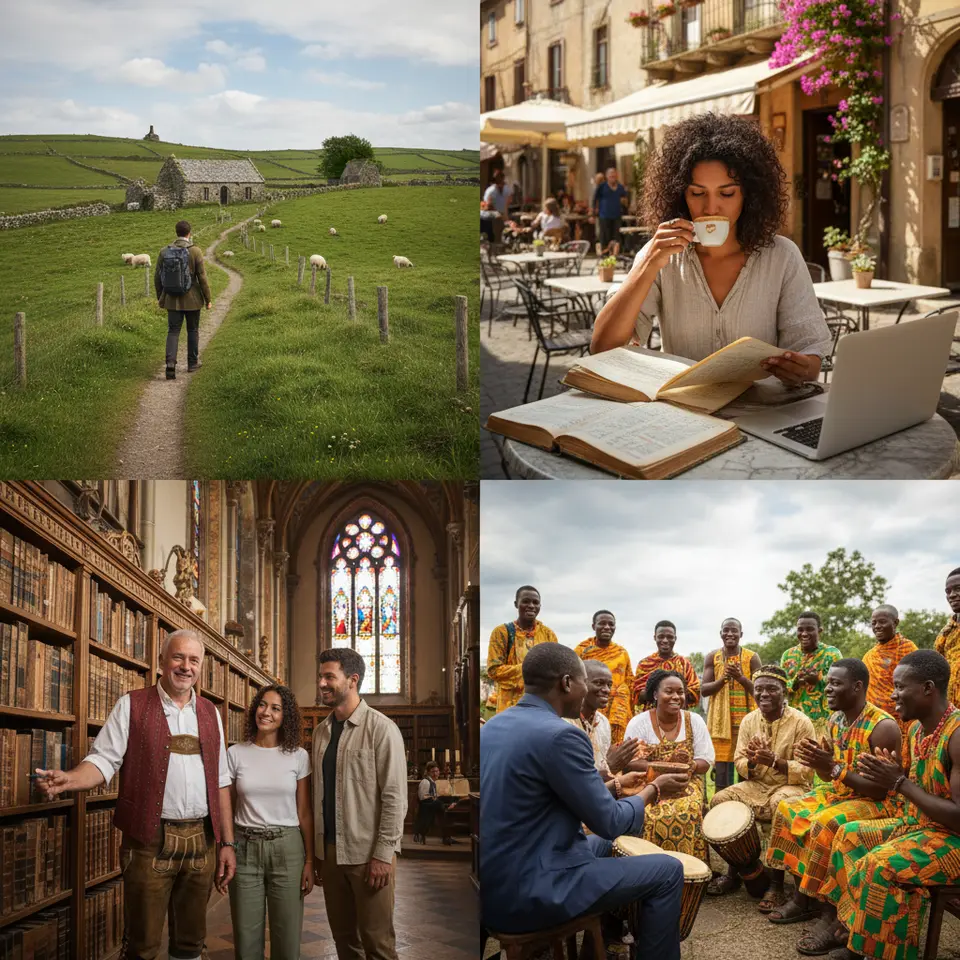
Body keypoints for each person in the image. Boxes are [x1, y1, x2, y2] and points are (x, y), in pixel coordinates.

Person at [34, 630, 235, 960]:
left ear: (201, 667)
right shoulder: (132, 704)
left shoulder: (211, 712)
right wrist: (68, 780)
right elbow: (103, 760)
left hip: (203, 841)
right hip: (148, 842)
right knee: (141, 947)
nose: (186, 666)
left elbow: (222, 782)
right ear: (161, 661)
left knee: (191, 943)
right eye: (178, 657)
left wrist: (227, 843)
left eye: (193, 660)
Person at [480, 643, 690, 959]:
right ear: (566, 683)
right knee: (668, 870)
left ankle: (600, 943)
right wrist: (652, 791)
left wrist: (615, 787)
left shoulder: (494, 726)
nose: (587, 692)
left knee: (606, 846)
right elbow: (609, 822)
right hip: (537, 890)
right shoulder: (562, 735)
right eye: (584, 683)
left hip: (495, 883)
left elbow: (548, 795)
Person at [590, 113, 831, 383]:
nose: (711, 207)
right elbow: (603, 348)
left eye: (726, 193)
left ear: (749, 195)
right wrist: (647, 265)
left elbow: (811, 354)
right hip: (683, 414)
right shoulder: (661, 256)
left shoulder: (781, 256)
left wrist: (803, 367)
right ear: (680, 194)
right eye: (697, 193)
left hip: (761, 416)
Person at [825, 650, 960, 960]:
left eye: (901, 687)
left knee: (880, 865)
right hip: (917, 825)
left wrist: (899, 782)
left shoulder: (956, 735)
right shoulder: (915, 729)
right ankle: (858, 935)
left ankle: (883, 951)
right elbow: (904, 786)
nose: (893, 694)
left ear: (928, 688)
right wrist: (887, 779)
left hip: (952, 841)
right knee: (849, 837)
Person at [761, 659, 901, 943]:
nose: (827, 689)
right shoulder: (836, 720)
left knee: (826, 823)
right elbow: (828, 777)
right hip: (842, 793)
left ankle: (829, 912)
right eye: (827, 683)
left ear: (858, 687)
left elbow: (880, 790)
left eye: (835, 683)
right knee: (790, 808)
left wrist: (834, 768)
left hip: (876, 802)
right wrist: (819, 762)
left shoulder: (882, 726)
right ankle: (803, 896)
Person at [312, 648, 407, 960]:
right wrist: (318, 855)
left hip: (368, 855)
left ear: (352, 680)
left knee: (377, 944)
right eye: (321, 676)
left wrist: (383, 854)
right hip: (330, 853)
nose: (322, 683)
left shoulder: (382, 729)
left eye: (329, 676)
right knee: (344, 941)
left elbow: (394, 798)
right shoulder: (321, 732)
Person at [708, 665, 815, 899]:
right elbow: (739, 759)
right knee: (720, 800)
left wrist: (776, 762)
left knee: (781, 804)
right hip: (757, 785)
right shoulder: (749, 721)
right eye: (758, 689)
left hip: (792, 786)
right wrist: (754, 763)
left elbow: (808, 769)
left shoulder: (801, 722)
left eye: (771, 689)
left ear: (784, 692)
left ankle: (776, 884)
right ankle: (742, 869)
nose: (764, 694)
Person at [226, 684, 313, 960]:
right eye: (262, 705)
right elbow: (226, 806)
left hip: (287, 849)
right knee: (246, 937)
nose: (266, 712)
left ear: (285, 716)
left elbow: (305, 813)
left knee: (287, 939)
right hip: (245, 848)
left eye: (276, 708)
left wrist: (310, 861)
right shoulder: (235, 754)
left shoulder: (298, 756)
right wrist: (224, 846)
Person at [624, 670, 715, 860]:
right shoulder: (639, 723)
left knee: (687, 809)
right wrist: (663, 769)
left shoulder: (694, 721)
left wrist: (686, 768)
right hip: (647, 783)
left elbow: (705, 760)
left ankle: (689, 871)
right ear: (655, 695)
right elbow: (631, 763)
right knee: (651, 813)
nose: (676, 697)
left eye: (680, 692)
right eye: (669, 691)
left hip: (686, 783)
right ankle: (651, 868)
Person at [701, 618, 761, 793]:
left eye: (734, 631)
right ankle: (720, 812)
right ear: (721, 634)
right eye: (726, 630)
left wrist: (741, 678)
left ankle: (745, 812)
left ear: (741, 634)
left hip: (747, 724)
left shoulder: (752, 657)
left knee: (746, 772)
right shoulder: (713, 657)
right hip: (721, 726)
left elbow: (760, 691)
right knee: (722, 776)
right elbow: (704, 690)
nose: (730, 634)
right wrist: (724, 679)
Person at [156, 219, 213, 380]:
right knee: (193, 330)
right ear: (189, 233)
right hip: (193, 299)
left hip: (171, 299)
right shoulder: (195, 251)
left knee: (173, 331)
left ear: (176, 233)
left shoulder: (164, 252)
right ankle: (192, 363)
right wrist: (208, 298)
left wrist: (161, 297)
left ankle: (170, 365)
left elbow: (157, 278)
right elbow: (202, 277)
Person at [486, 585, 559, 712]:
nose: (531, 606)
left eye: (535, 602)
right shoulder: (502, 632)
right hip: (510, 706)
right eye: (526, 601)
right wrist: (530, 669)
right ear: (516, 604)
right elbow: (494, 670)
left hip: (541, 705)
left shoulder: (548, 635)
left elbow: (555, 668)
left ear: (540, 606)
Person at [574, 610, 635, 743]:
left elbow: (630, 681)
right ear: (593, 626)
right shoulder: (582, 650)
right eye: (602, 623)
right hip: (589, 704)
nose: (607, 627)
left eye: (611, 624)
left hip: (617, 709)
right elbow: (574, 678)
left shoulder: (621, 653)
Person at [780, 611, 843, 736]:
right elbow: (780, 685)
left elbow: (842, 681)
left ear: (819, 631)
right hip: (796, 720)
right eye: (800, 630)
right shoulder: (788, 655)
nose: (804, 633)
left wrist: (818, 679)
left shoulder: (831, 654)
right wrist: (795, 683)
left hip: (826, 719)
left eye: (809, 629)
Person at [863, 605, 917, 737]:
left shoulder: (908, 650)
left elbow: (916, 686)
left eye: (882, 622)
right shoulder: (869, 656)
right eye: (874, 623)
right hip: (873, 721)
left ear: (896, 622)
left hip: (904, 720)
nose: (877, 626)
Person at [633, 620, 701, 709]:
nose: (665, 640)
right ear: (655, 637)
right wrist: (661, 694)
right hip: (652, 716)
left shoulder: (684, 663)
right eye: (661, 636)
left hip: (679, 715)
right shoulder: (645, 664)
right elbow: (637, 694)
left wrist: (673, 693)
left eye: (670, 637)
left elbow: (695, 691)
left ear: (675, 638)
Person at [412, 760, 459, 845]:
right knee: (439, 804)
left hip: (431, 804)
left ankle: (450, 806)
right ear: (428, 772)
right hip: (426, 807)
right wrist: (435, 799)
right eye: (433, 772)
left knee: (450, 798)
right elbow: (423, 797)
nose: (435, 774)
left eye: (437, 771)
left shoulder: (433, 782)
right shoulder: (425, 781)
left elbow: (433, 795)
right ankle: (446, 808)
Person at [934, 566, 960, 703]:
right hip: (952, 710)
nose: (952, 595)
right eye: (948, 591)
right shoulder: (946, 632)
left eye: (958, 589)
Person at [593, 166, 628, 256]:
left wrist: (624, 202)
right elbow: (595, 199)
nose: (613, 177)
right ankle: (604, 256)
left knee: (616, 237)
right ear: (607, 176)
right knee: (605, 237)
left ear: (616, 176)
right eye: (610, 175)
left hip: (616, 216)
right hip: (604, 216)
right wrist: (594, 212)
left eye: (614, 175)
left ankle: (614, 256)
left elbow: (625, 200)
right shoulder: (602, 187)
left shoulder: (620, 187)